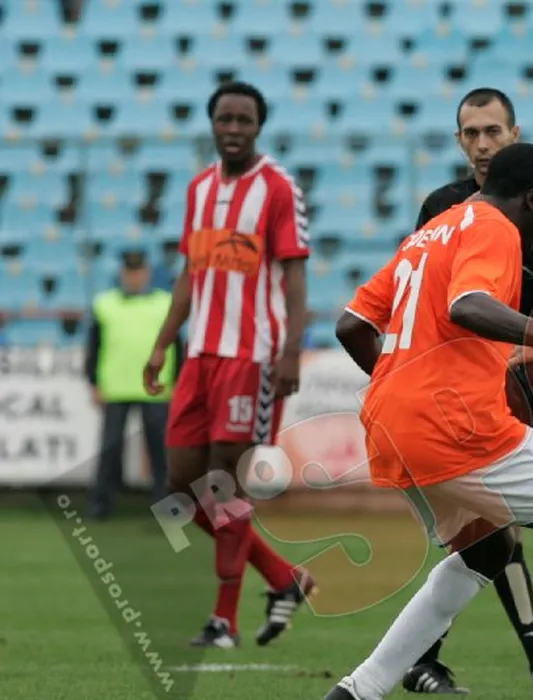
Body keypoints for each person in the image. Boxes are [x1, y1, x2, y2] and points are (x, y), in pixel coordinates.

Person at [326, 143, 533, 700]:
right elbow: (467, 304)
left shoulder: (430, 232)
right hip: (455, 426)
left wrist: (405, 390)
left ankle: (357, 691)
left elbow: (351, 324)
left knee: (488, 551)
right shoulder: (496, 228)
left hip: (391, 426)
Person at [404, 87, 533, 696]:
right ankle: (532, 656)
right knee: (491, 520)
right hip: (458, 383)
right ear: (458, 141)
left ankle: (425, 660)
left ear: (515, 134)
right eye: (472, 133)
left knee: (490, 523)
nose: (483, 143)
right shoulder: (442, 207)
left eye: (493, 131)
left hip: (522, 378)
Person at [143, 81, 315, 648]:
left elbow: (295, 275)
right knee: (178, 490)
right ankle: (284, 577)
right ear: (212, 123)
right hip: (200, 355)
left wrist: (291, 350)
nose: (234, 129)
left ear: (259, 126)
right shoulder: (198, 189)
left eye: (244, 120)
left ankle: (224, 620)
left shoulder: (278, 188)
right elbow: (189, 275)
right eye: (225, 119)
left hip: (253, 357)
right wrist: (162, 343)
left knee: (225, 485)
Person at [85, 249, 179, 520]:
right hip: (116, 388)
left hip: (157, 389)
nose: (135, 277)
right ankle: (100, 505)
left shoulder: (165, 303)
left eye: (138, 272)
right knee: (110, 450)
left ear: (147, 273)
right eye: (130, 272)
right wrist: (93, 382)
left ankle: (166, 506)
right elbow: (94, 346)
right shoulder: (105, 304)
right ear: (123, 274)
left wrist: (178, 381)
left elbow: (178, 346)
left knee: (160, 452)